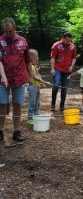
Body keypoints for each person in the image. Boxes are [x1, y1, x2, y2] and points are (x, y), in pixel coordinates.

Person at [0, 17, 32, 147]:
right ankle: (0, 131)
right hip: (3, 80)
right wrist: (3, 76)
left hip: (19, 78)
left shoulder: (23, 41)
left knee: (17, 104)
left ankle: (17, 131)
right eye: (5, 31)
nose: (8, 34)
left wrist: (31, 76)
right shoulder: (0, 41)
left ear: (14, 28)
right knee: (2, 104)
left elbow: (28, 60)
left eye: (10, 31)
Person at [50, 32, 76, 111]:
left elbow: (74, 57)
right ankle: (53, 103)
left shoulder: (72, 46)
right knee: (56, 84)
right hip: (57, 69)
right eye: (67, 40)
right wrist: (52, 68)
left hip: (67, 70)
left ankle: (62, 105)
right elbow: (52, 57)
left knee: (64, 88)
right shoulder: (56, 45)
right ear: (63, 38)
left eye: (70, 40)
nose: (68, 42)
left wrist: (72, 65)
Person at [27, 49, 51, 125]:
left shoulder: (34, 67)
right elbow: (34, 77)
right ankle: (30, 118)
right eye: (36, 57)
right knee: (32, 103)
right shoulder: (30, 67)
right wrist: (45, 82)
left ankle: (36, 115)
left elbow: (38, 76)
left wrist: (41, 84)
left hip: (36, 86)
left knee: (37, 102)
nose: (38, 58)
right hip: (32, 87)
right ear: (31, 57)